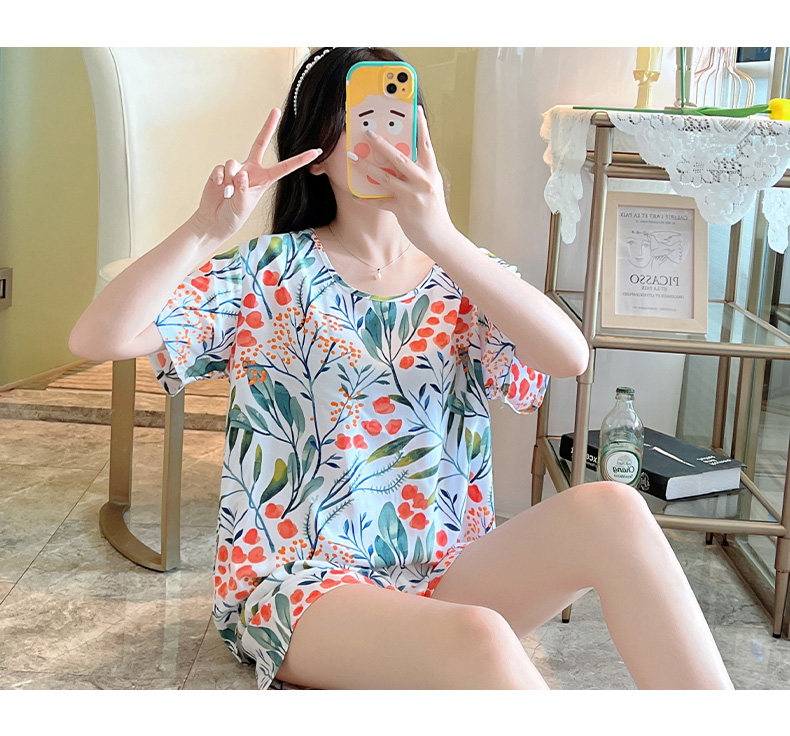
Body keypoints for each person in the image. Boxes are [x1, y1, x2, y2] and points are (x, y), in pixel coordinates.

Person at [69, 46, 734, 691]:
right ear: (316, 151)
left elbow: (569, 357)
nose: (383, 140)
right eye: (361, 121)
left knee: (612, 509)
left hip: (447, 575)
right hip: (301, 589)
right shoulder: (266, 274)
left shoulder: (463, 276)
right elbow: (98, 336)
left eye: (398, 119)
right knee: (479, 636)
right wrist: (204, 229)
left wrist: (439, 234)